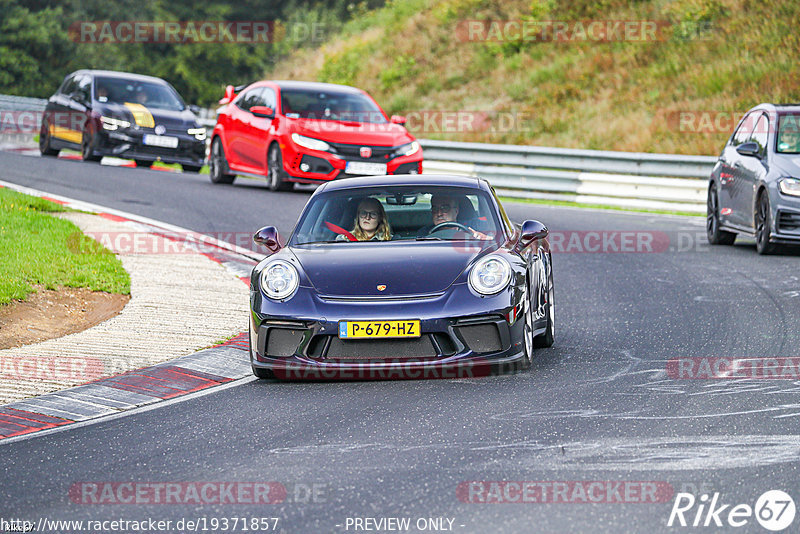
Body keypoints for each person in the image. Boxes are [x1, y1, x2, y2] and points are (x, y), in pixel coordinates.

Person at [419, 194, 490, 240]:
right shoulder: (424, 232)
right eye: (435, 209)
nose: (439, 213)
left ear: (456, 211)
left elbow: (495, 241)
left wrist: (482, 237)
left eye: (445, 208)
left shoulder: (475, 226)